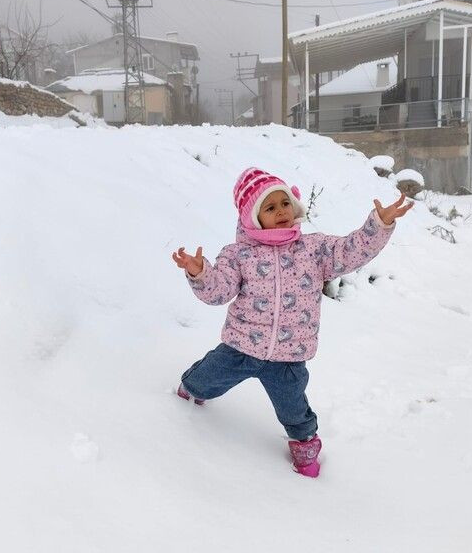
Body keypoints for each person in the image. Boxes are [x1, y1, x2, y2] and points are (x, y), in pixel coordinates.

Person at [171, 167, 413, 477]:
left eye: (285, 203)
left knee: (294, 409)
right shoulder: (238, 255)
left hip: (289, 357)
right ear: (252, 217)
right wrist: (200, 273)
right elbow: (219, 291)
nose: (281, 211)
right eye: (269, 208)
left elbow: (349, 251)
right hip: (240, 347)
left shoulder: (313, 249)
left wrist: (380, 224)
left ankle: (305, 446)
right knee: (205, 378)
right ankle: (187, 397)